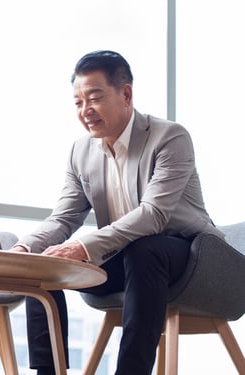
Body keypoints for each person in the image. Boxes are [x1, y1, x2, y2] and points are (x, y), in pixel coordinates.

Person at [11, 50, 224, 375]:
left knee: (145, 248)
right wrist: (26, 249)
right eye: (79, 102)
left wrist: (84, 247)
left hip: (190, 255)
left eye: (94, 98)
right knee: (44, 265)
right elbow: (63, 218)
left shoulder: (170, 137)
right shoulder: (80, 152)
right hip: (128, 259)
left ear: (126, 94)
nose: (85, 111)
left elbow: (154, 215)